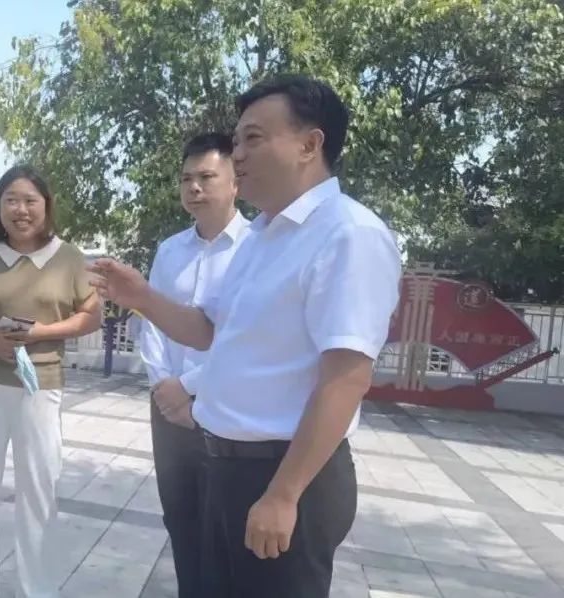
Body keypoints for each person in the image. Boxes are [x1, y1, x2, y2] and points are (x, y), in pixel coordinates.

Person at [89, 75, 402, 597]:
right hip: (225, 467)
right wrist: (141, 295)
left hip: (284, 474)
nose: (238, 154)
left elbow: (346, 378)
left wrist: (283, 495)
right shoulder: (261, 236)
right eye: (236, 141)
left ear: (309, 145)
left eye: (253, 138)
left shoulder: (348, 234)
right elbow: (209, 332)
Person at [0, 165, 102, 598]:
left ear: (46, 206)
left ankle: (39, 589)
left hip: (41, 385)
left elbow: (92, 316)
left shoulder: (69, 258)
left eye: (31, 200)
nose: (21, 209)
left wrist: (41, 333)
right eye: (11, 200)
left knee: (38, 488)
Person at [139, 132, 249, 597]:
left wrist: (189, 387)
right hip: (167, 409)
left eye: (206, 176)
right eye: (186, 178)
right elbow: (151, 322)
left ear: (236, 182)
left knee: (222, 530)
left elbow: (247, 337)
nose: (194, 187)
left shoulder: (255, 248)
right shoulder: (170, 250)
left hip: (223, 409)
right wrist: (164, 385)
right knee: (181, 520)